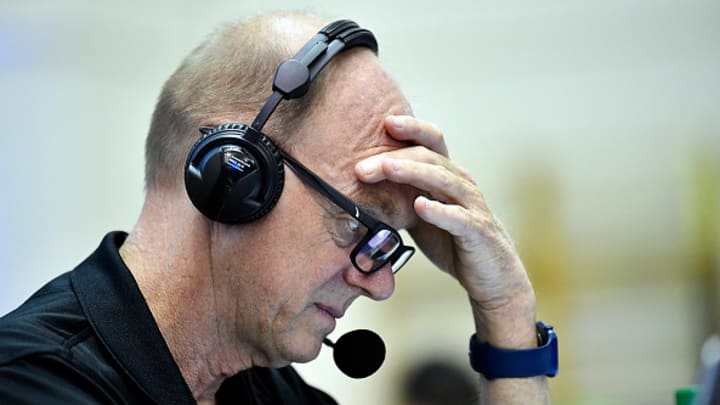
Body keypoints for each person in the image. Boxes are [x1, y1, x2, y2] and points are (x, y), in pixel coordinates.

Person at [0, 11, 554, 404]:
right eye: (361, 226)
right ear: (233, 177)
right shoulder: (29, 385)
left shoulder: (272, 393)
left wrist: (505, 309)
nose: (379, 286)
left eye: (387, 247)